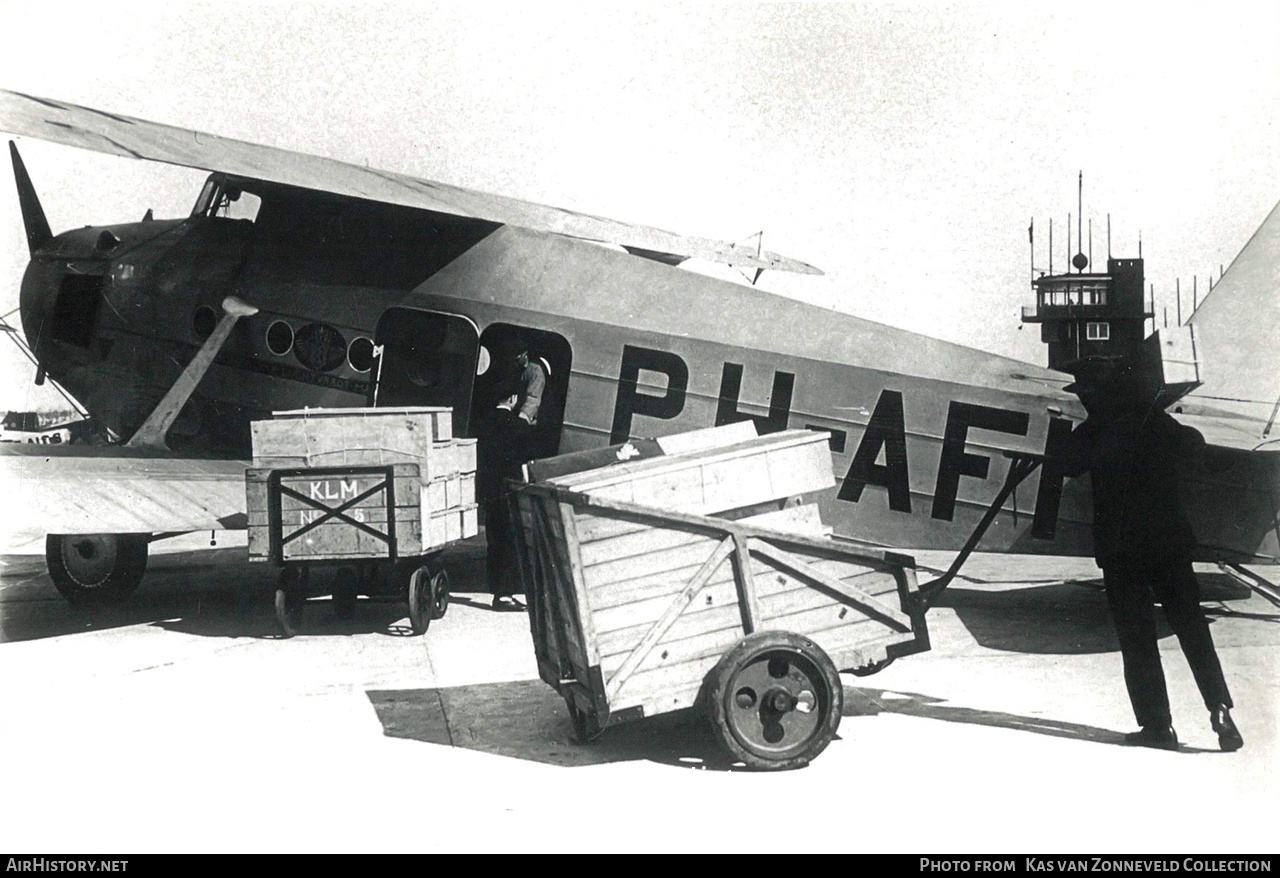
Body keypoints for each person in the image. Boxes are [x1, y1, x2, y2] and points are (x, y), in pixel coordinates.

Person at [1057, 356, 1242, 752]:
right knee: (1192, 627)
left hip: (1122, 549)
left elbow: (1064, 465)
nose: (1085, 398)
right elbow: (1194, 446)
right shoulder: (1155, 422)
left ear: (1099, 393)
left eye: (1087, 391)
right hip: (1169, 543)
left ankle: (1158, 727)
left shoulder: (1094, 430)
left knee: (1138, 639)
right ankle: (1220, 710)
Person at [481, 336, 547, 611]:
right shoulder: (517, 429)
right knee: (511, 539)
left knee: (495, 540)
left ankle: (497, 588)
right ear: (512, 398)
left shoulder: (487, 424)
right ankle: (506, 594)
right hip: (509, 491)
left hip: (491, 492)